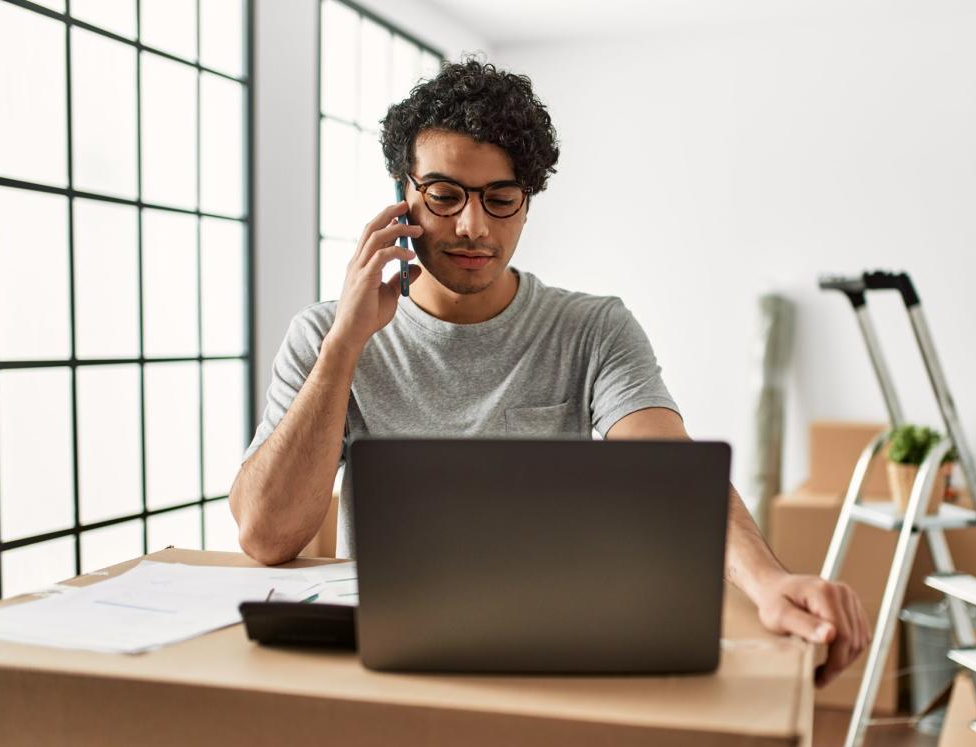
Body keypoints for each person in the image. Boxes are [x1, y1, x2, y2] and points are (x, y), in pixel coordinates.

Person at [229, 58, 869, 683]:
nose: (472, 226)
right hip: (391, 660)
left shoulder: (593, 329)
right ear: (404, 197)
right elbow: (265, 535)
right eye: (445, 196)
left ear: (527, 204)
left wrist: (770, 579)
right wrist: (344, 346)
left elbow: (671, 475)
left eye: (500, 199)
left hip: (550, 649)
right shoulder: (324, 334)